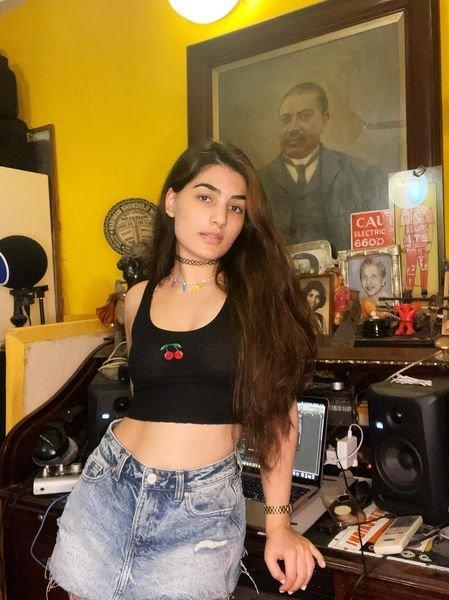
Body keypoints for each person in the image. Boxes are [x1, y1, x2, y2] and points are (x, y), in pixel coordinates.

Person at [47, 140, 325, 600]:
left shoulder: (257, 302)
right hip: (110, 487)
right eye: (205, 197)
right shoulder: (138, 298)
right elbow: (149, 392)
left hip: (200, 510)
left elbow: (280, 415)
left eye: (235, 208)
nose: (219, 218)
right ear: (172, 201)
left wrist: (279, 524)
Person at [259, 82, 386, 251]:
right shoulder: (257, 183)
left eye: (304, 116)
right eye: (286, 119)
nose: (292, 128)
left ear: (324, 120)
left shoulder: (361, 176)